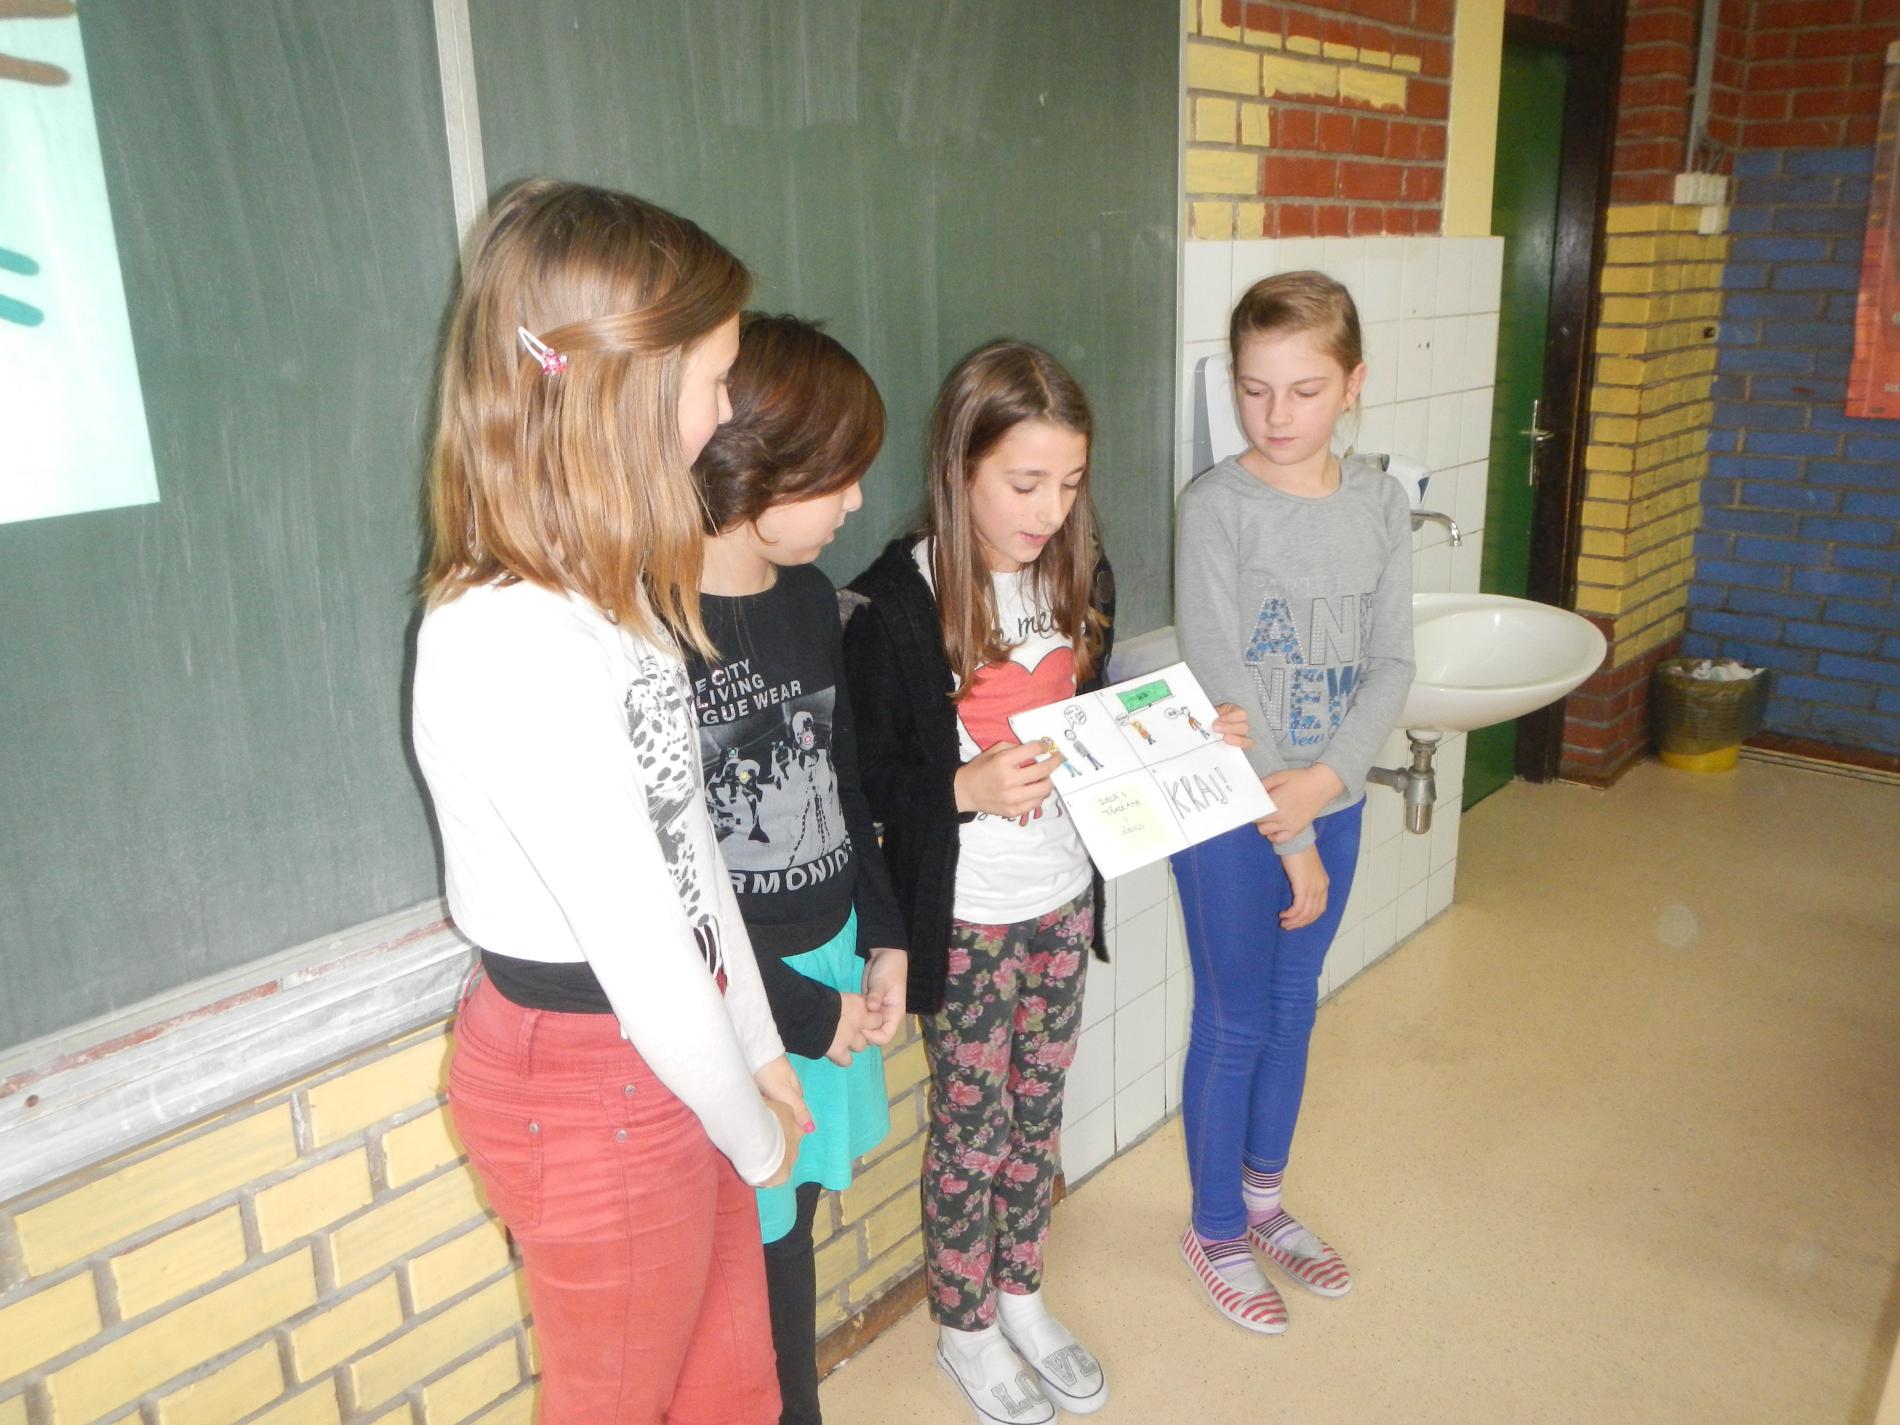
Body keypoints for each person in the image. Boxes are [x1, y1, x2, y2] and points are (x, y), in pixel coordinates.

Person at [411, 179, 808, 1424]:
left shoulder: (607, 594)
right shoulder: (507, 636)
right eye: (714, 380)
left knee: (731, 1392)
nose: (724, 413)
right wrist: (752, 1131)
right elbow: (638, 946)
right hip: (592, 1076)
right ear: (625, 391)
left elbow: (689, 856)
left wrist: (757, 1051)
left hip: (679, 1049)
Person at [842, 340, 1249, 1424]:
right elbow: (864, 775)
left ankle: (1020, 1293)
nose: (1049, 510)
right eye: (1025, 483)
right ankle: (963, 1327)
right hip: (968, 916)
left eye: (1069, 484)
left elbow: (1095, 712)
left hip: (1062, 898)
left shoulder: (1079, 571)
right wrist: (961, 786)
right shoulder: (894, 601)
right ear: (959, 466)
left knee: (1037, 1113)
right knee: (970, 1132)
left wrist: (1186, 735)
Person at [1172, 270, 1415, 1334]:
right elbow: (1223, 674)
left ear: (1353, 384)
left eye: (1305, 391)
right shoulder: (1215, 508)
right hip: (1236, 816)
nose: (1276, 415)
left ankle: (1264, 1201)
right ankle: (1215, 1225)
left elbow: (1393, 663)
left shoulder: (1380, 504)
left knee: (1292, 1006)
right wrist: (1296, 828)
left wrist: (1327, 783)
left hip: (1329, 800)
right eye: (1254, 388)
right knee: (1233, 1020)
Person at [687, 314, 909, 1425]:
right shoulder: (654, 630)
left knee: (796, 1229)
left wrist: (886, 934)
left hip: (830, 968)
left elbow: (844, 780)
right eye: (836, 475)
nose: (857, 502)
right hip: (744, 1003)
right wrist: (803, 1015)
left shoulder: (810, 598)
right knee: (747, 1265)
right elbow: (672, 896)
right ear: (751, 464)